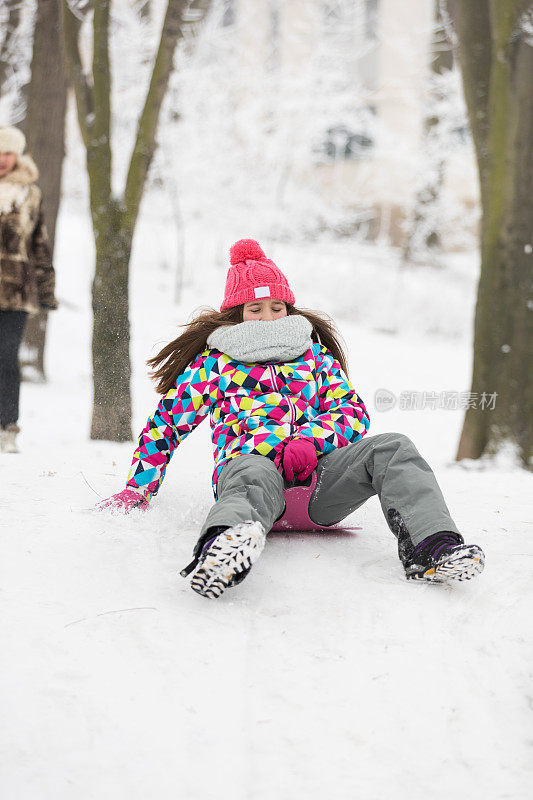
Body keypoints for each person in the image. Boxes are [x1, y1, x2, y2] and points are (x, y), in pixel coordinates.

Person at [97, 239, 485, 598]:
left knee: (394, 447)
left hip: (321, 485)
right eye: (255, 309)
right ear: (237, 315)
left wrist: (311, 441)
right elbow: (165, 425)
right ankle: (221, 550)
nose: (268, 317)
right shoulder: (214, 365)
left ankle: (433, 549)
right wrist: (138, 488)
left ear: (288, 308)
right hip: (253, 475)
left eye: (276, 307)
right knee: (250, 471)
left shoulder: (314, 357)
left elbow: (352, 411)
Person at [0, 126, 58, 454]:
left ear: (17, 156)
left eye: (8, 153)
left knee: (6, 356)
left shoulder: (30, 194)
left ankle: (8, 427)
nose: (2, 159)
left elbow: (40, 244)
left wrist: (47, 291)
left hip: (16, 293)